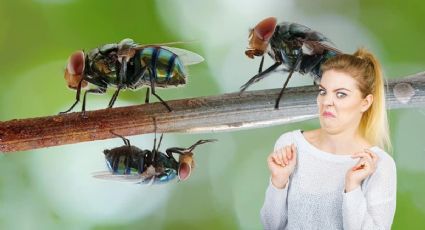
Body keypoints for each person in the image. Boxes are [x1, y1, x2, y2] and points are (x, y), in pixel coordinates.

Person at [260, 48, 397, 230]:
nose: (327, 102)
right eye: (323, 91)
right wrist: (279, 181)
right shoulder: (291, 145)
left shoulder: (379, 165)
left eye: (341, 94)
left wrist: (352, 188)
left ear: (365, 103)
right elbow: (271, 226)